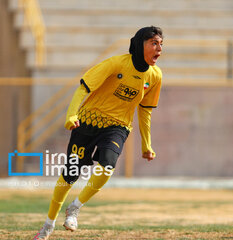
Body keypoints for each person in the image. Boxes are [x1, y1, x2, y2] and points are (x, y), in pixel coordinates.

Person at [33, 26, 163, 240]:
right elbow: (83, 88)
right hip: (87, 122)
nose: (159, 49)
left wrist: (146, 144)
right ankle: (48, 225)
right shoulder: (116, 63)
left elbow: (145, 111)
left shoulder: (155, 76)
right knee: (70, 175)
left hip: (118, 127)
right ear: (140, 45)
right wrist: (71, 115)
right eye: (154, 43)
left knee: (107, 165)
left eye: (160, 44)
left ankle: (75, 207)